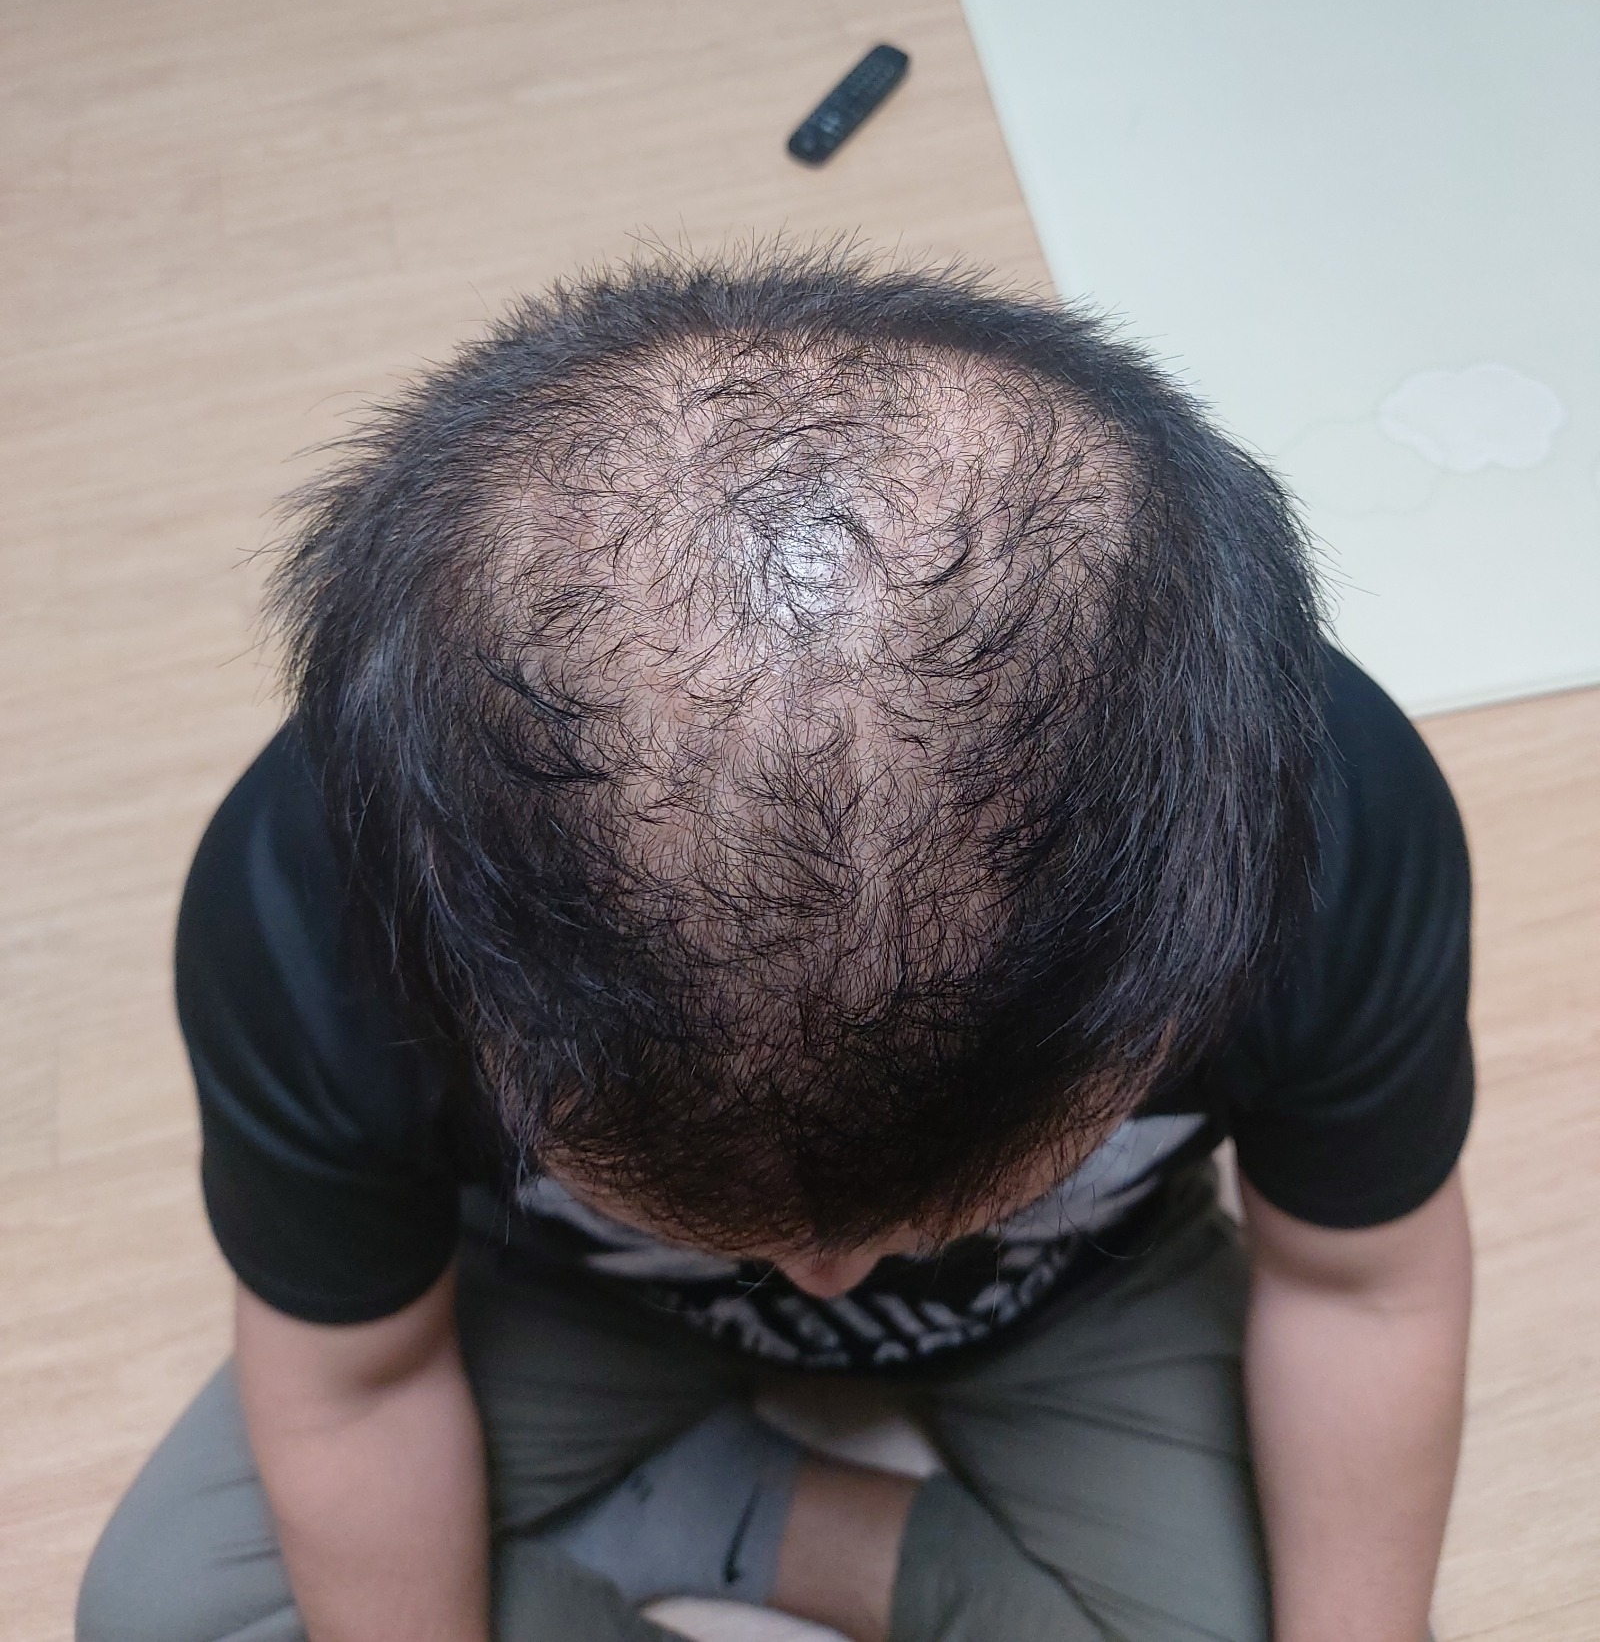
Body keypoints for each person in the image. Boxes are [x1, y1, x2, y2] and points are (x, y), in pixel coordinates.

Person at [77, 253, 1473, 1642]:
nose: (828, 1279)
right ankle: (694, 1496)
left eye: (919, 1224)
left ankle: (742, 1512)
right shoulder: (320, 899)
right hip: (561, 1303)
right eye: (725, 1221)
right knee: (170, 1619)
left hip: (1077, 1297)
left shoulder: (1320, 830)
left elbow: (1358, 1287)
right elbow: (359, 1384)